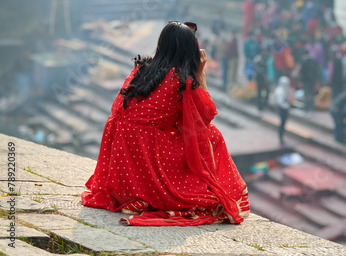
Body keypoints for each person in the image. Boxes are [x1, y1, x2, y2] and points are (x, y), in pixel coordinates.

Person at [82, 22, 249, 226]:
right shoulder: (181, 79)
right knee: (212, 135)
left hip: (119, 159)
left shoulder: (141, 68)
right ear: (189, 51)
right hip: (145, 150)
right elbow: (206, 114)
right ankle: (201, 188)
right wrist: (201, 72)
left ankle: (137, 192)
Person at [275, 76, 293, 147]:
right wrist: (287, 106)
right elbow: (280, 102)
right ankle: (281, 138)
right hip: (282, 109)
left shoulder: (281, 90)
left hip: (282, 109)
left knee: (283, 124)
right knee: (282, 124)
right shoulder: (280, 91)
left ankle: (281, 138)